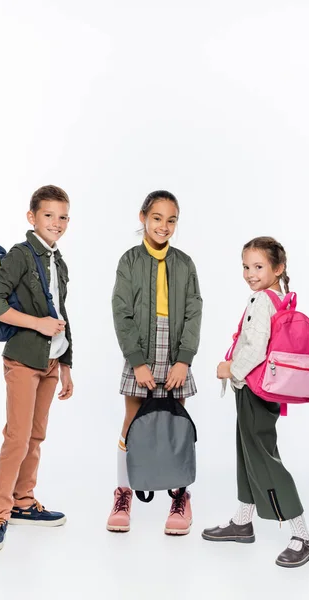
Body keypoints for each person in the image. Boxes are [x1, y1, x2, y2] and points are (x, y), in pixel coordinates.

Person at [202, 236, 309, 568]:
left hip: (254, 389)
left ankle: (303, 536)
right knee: (248, 454)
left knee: (265, 460)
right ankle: (242, 521)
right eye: (245, 266)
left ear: (278, 268)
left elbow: (255, 348)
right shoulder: (280, 299)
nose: (250, 273)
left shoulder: (262, 300)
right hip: (264, 390)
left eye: (258, 266)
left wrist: (229, 369)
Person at [0, 185, 73, 552]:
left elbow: (62, 314)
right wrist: (38, 324)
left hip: (51, 360)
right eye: (49, 215)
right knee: (16, 438)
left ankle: (23, 501)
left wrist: (66, 364)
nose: (57, 223)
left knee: (36, 436)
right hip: (22, 359)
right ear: (32, 217)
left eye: (63, 216)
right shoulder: (21, 255)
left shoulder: (59, 261)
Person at [108, 190, 202, 535]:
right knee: (133, 422)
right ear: (143, 217)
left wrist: (184, 360)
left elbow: (194, 311)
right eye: (158, 218)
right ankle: (123, 493)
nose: (164, 226)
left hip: (175, 350)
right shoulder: (129, 261)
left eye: (171, 219)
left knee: (175, 424)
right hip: (141, 350)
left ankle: (180, 498)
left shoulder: (184, 263)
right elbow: (122, 311)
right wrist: (136, 360)